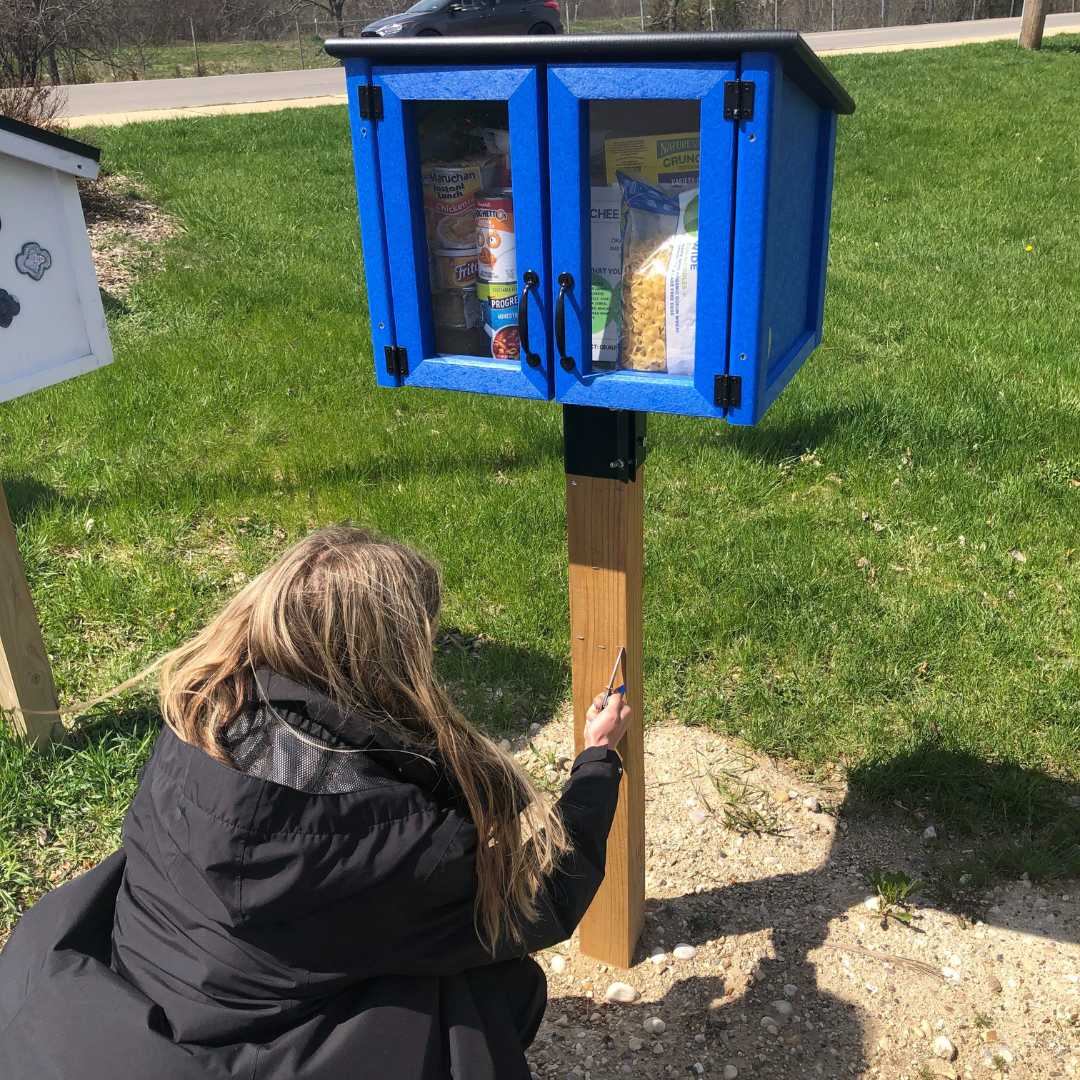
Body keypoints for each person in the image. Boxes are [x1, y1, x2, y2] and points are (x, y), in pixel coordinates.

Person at [0, 527, 632, 1080]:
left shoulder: (197, 721)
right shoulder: (398, 837)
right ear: (386, 662)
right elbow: (540, 902)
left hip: (92, 1028)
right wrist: (598, 760)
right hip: (207, 1063)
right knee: (490, 986)